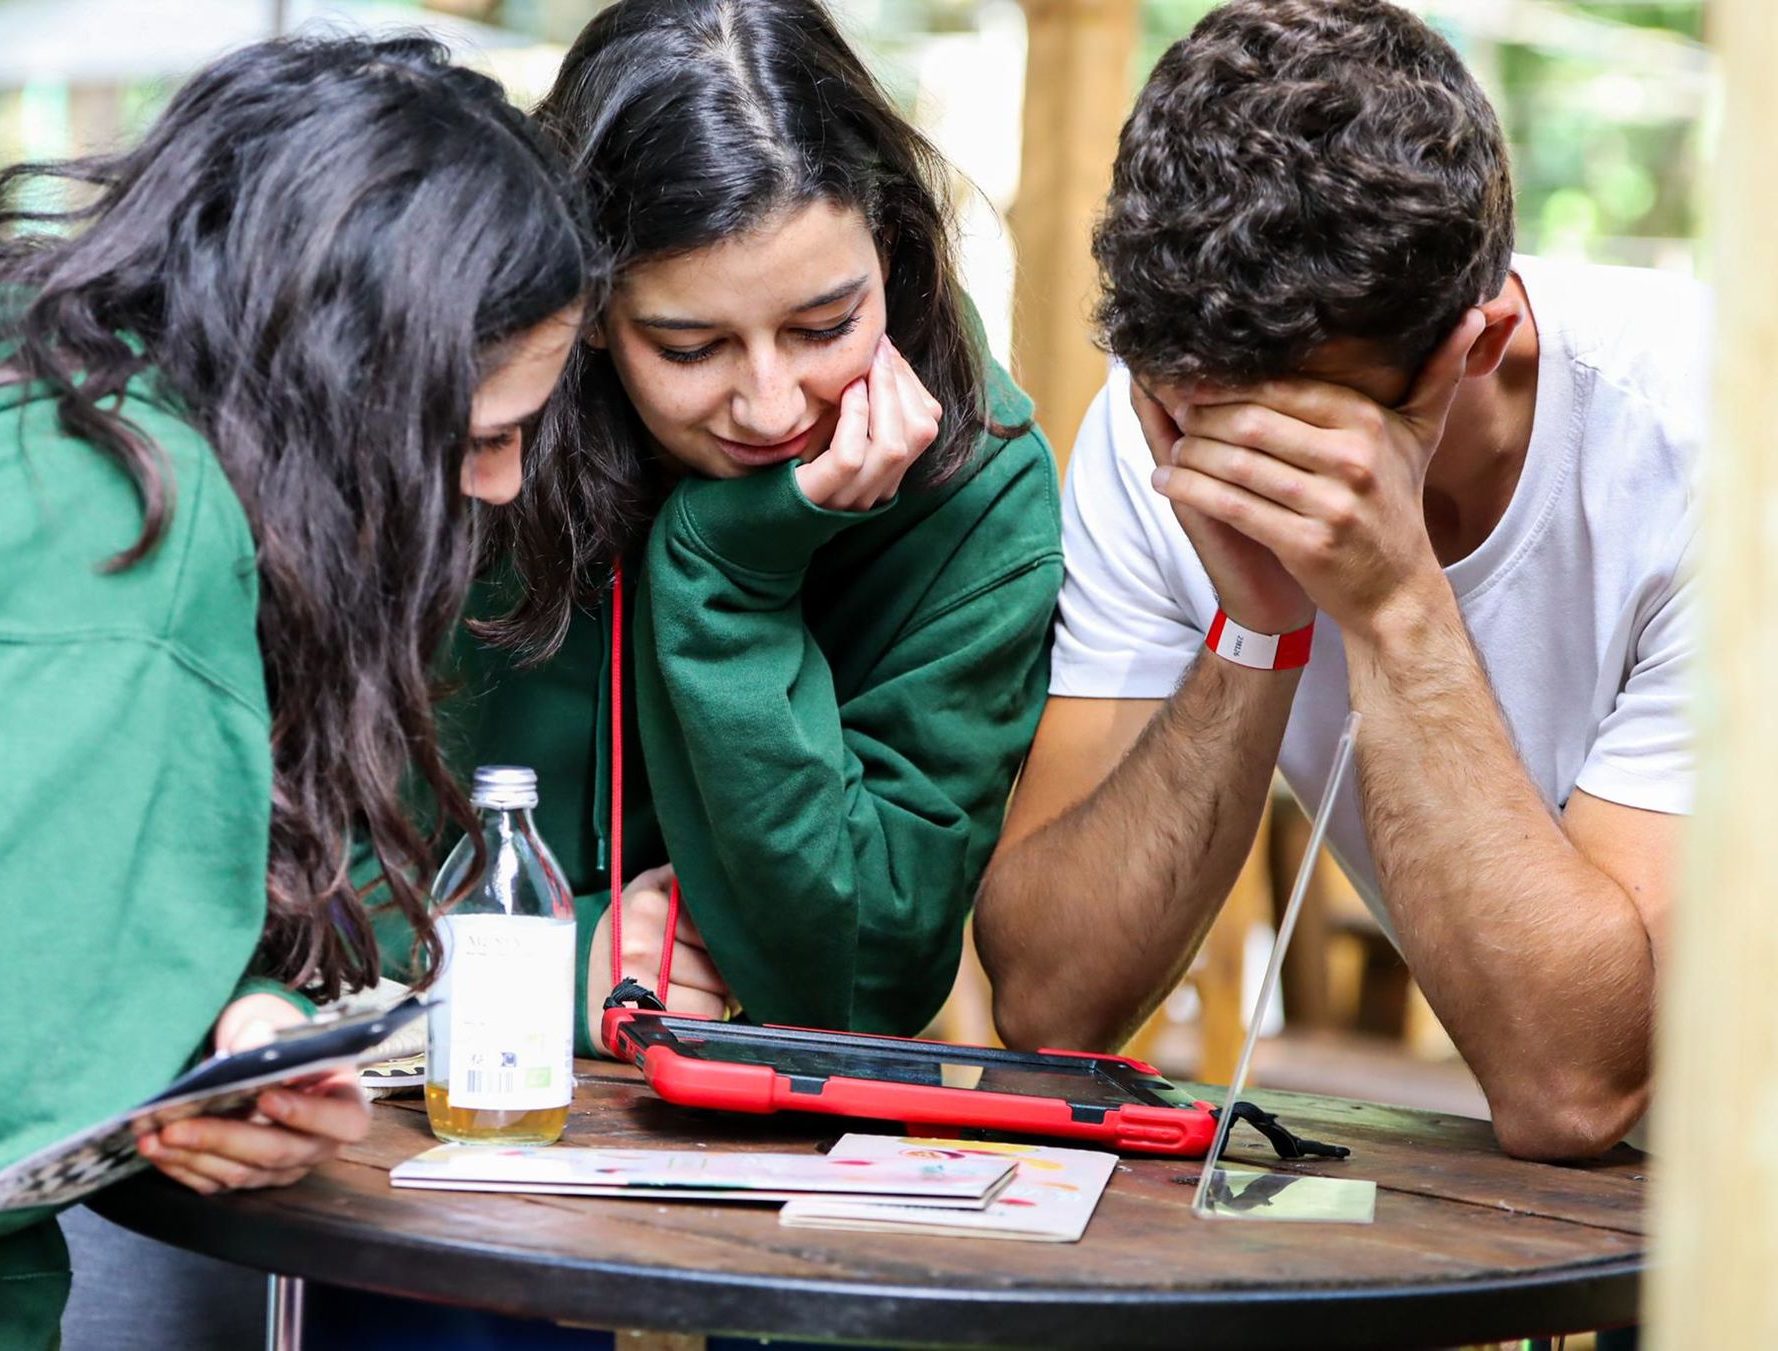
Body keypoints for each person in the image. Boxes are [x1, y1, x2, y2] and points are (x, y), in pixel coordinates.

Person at [0, 34, 595, 1350]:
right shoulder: (119, 527)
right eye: (484, 432)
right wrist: (179, 1088)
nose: (501, 482)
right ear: (351, 386)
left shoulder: (5, 401)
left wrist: (231, 1019)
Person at [976, 0, 1698, 1164]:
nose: (1232, 463)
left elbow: (1572, 1087)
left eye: (1296, 433)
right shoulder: (1155, 422)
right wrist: (1252, 629)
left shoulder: (1707, 452)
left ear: (1475, 344)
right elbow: (1050, 1007)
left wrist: (1396, 603)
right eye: (1196, 410)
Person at [373, 0, 1062, 1062]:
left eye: (824, 326)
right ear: (586, 303)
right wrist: (542, 964)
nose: (772, 407)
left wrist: (733, 573)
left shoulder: (979, 482)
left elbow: (862, 982)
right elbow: (281, 864)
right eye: (689, 348)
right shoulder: (470, 424)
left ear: (889, 245)